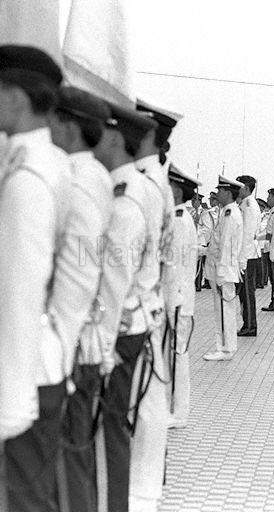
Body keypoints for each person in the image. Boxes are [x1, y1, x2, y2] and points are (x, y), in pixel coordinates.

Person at [0, 45, 73, 511]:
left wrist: (13, 399)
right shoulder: (47, 162)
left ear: (15, 99)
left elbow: (20, 290)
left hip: (24, 368)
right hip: (40, 360)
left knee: (27, 500)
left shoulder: (29, 175)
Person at [48, 85, 115, 512]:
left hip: (71, 343)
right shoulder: (86, 175)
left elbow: (79, 271)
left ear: (68, 126)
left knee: (67, 460)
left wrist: (62, 348)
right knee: (70, 460)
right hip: (74, 340)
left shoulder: (79, 179)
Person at [91, 100, 157, 512]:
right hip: (127, 324)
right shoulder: (139, 186)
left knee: (107, 430)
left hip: (117, 329)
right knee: (112, 427)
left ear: (115, 137)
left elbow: (115, 281)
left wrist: (101, 344)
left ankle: (111, 504)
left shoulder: (126, 196)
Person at [132, 98, 182, 512]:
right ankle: (146, 486)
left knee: (146, 403)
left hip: (143, 305)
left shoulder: (146, 185)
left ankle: (145, 489)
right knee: (150, 400)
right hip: (153, 304)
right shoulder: (154, 182)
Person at [167, 164, 201, 429]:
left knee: (178, 353)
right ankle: (175, 408)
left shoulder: (179, 221)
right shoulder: (180, 217)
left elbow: (173, 266)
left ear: (176, 191)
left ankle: (179, 412)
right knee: (175, 353)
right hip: (179, 296)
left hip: (177, 297)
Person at [203, 176, 245, 361]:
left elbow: (226, 246)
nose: (217, 193)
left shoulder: (230, 214)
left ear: (228, 193)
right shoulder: (227, 211)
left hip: (223, 272)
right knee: (222, 309)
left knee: (223, 310)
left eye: (220, 190)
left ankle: (226, 349)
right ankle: (224, 347)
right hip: (221, 270)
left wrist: (220, 274)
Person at [236, 175, 260, 337]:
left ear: (245, 188)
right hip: (246, 254)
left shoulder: (249, 205)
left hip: (247, 255)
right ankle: (247, 323)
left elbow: (247, 234)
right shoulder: (245, 203)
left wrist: (242, 260)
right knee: (244, 293)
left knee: (247, 293)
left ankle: (250, 326)